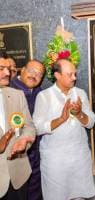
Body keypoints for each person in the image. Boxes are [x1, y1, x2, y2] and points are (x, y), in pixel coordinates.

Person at [32, 59, 95, 200]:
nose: (74, 77)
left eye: (75, 74)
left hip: (79, 158)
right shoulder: (44, 96)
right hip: (55, 161)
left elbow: (91, 122)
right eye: (70, 74)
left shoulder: (80, 93)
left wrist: (79, 114)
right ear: (57, 75)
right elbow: (36, 128)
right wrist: (61, 119)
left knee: (80, 195)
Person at [0, 51, 36, 200]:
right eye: (1, 68)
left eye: (9, 68)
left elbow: (29, 127)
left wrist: (24, 141)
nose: (8, 73)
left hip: (19, 177)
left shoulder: (17, 95)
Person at [10, 59, 45, 200]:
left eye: (39, 74)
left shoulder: (40, 93)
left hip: (35, 154)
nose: (34, 76)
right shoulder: (8, 90)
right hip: (15, 155)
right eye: (31, 71)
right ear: (22, 70)